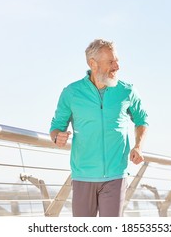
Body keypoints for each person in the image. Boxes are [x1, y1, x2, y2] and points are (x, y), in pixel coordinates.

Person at [50, 39, 148, 217]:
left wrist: (138, 146)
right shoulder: (72, 92)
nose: (117, 66)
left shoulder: (126, 91)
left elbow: (142, 119)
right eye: (111, 61)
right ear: (92, 64)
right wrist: (58, 136)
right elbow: (56, 127)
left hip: (116, 175)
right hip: (83, 175)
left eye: (116, 60)